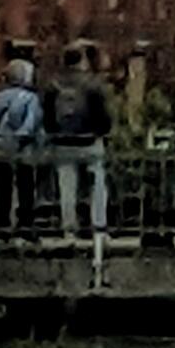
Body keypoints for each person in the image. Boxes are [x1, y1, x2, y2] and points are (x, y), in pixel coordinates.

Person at [44, 47, 112, 237]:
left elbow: (48, 115)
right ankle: (99, 227)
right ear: (82, 61)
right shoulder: (92, 84)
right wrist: (102, 132)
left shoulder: (54, 84)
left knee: (67, 187)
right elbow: (102, 114)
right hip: (89, 141)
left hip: (63, 142)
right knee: (97, 184)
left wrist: (53, 134)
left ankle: (69, 229)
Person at [0, 59, 44, 237]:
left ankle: (1, 223)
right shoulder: (30, 98)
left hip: (1, 149)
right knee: (26, 187)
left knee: (3, 188)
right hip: (24, 151)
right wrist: (21, 140)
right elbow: (31, 123)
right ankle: (25, 224)